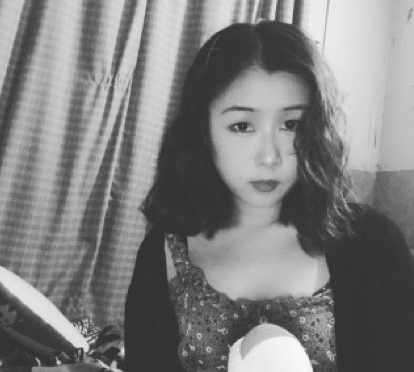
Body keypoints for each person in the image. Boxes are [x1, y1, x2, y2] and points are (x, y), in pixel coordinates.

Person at [124, 20, 414, 372]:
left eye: (291, 125)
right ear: (204, 131)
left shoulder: (372, 245)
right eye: (242, 126)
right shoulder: (163, 253)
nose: (269, 157)